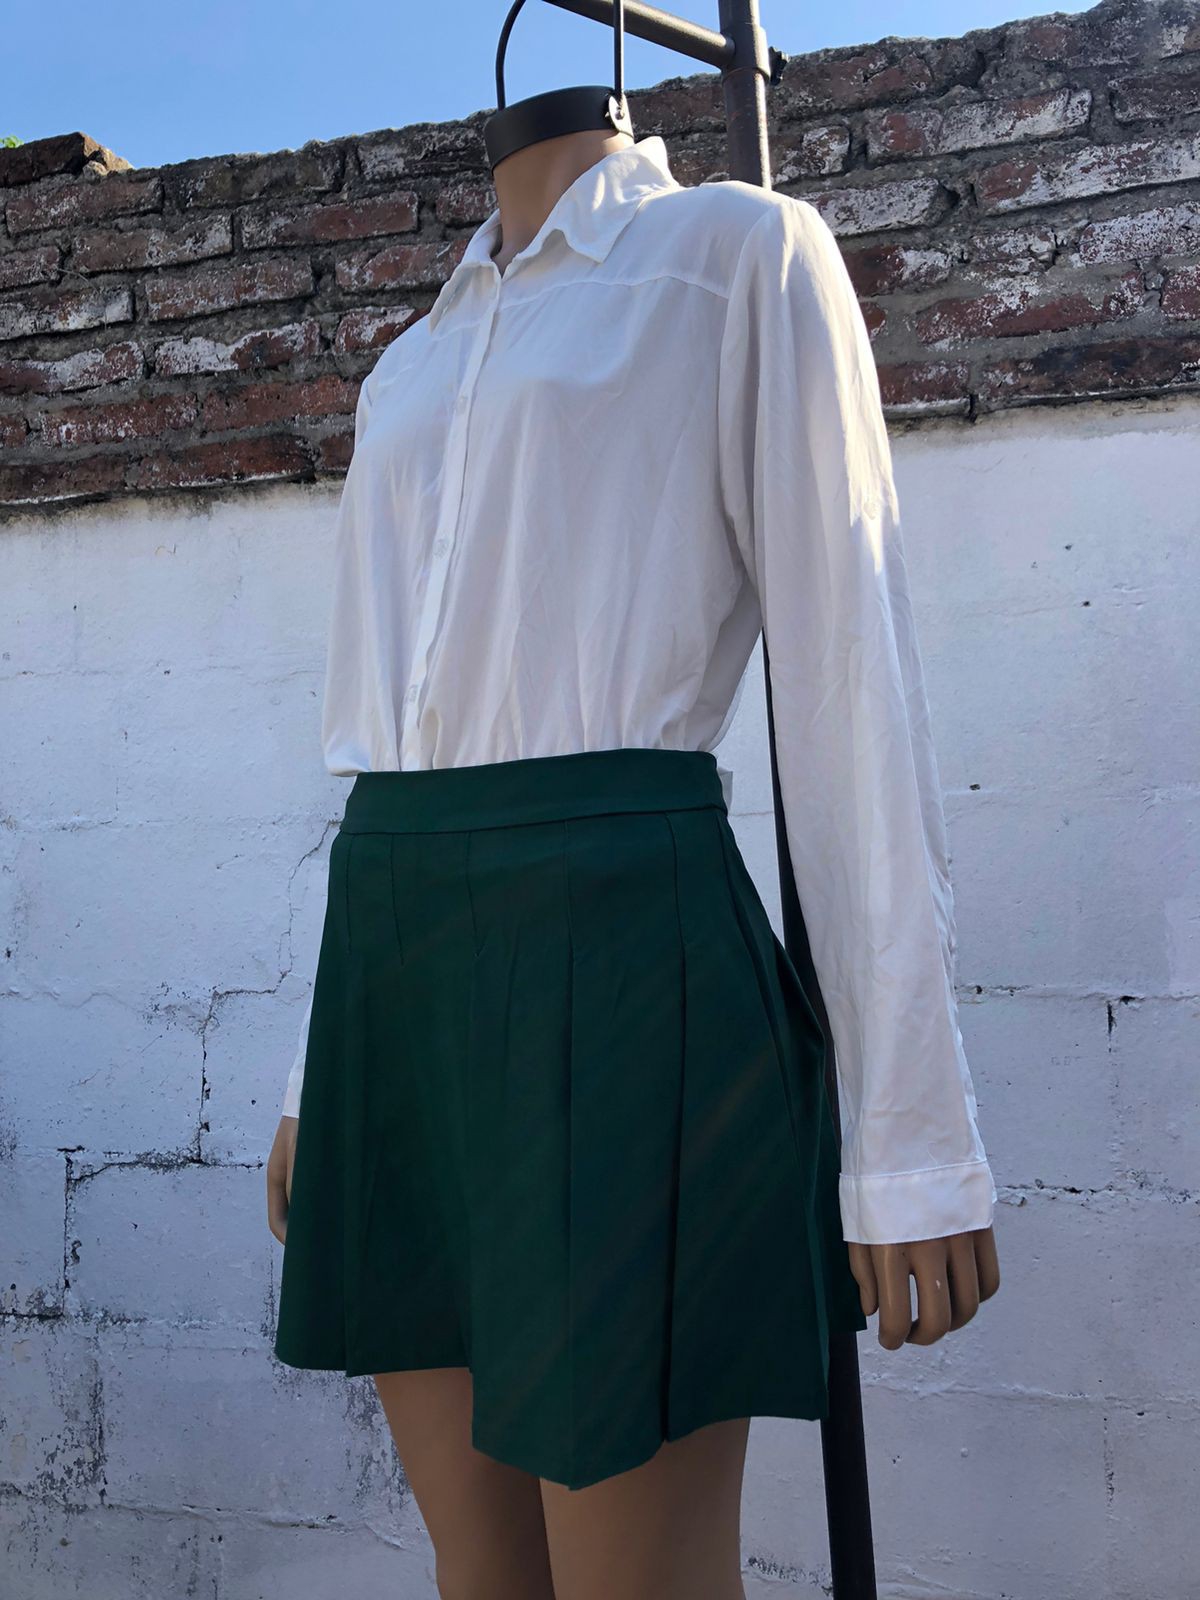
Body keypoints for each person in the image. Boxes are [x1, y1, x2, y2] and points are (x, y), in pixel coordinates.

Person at [266, 127, 998, 1600]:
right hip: (396, 966)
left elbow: (849, 682)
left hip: (616, 954)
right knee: (480, 1571)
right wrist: (309, 1069)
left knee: (636, 1581)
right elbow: (391, 723)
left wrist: (910, 1139)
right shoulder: (410, 361)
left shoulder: (736, 256)